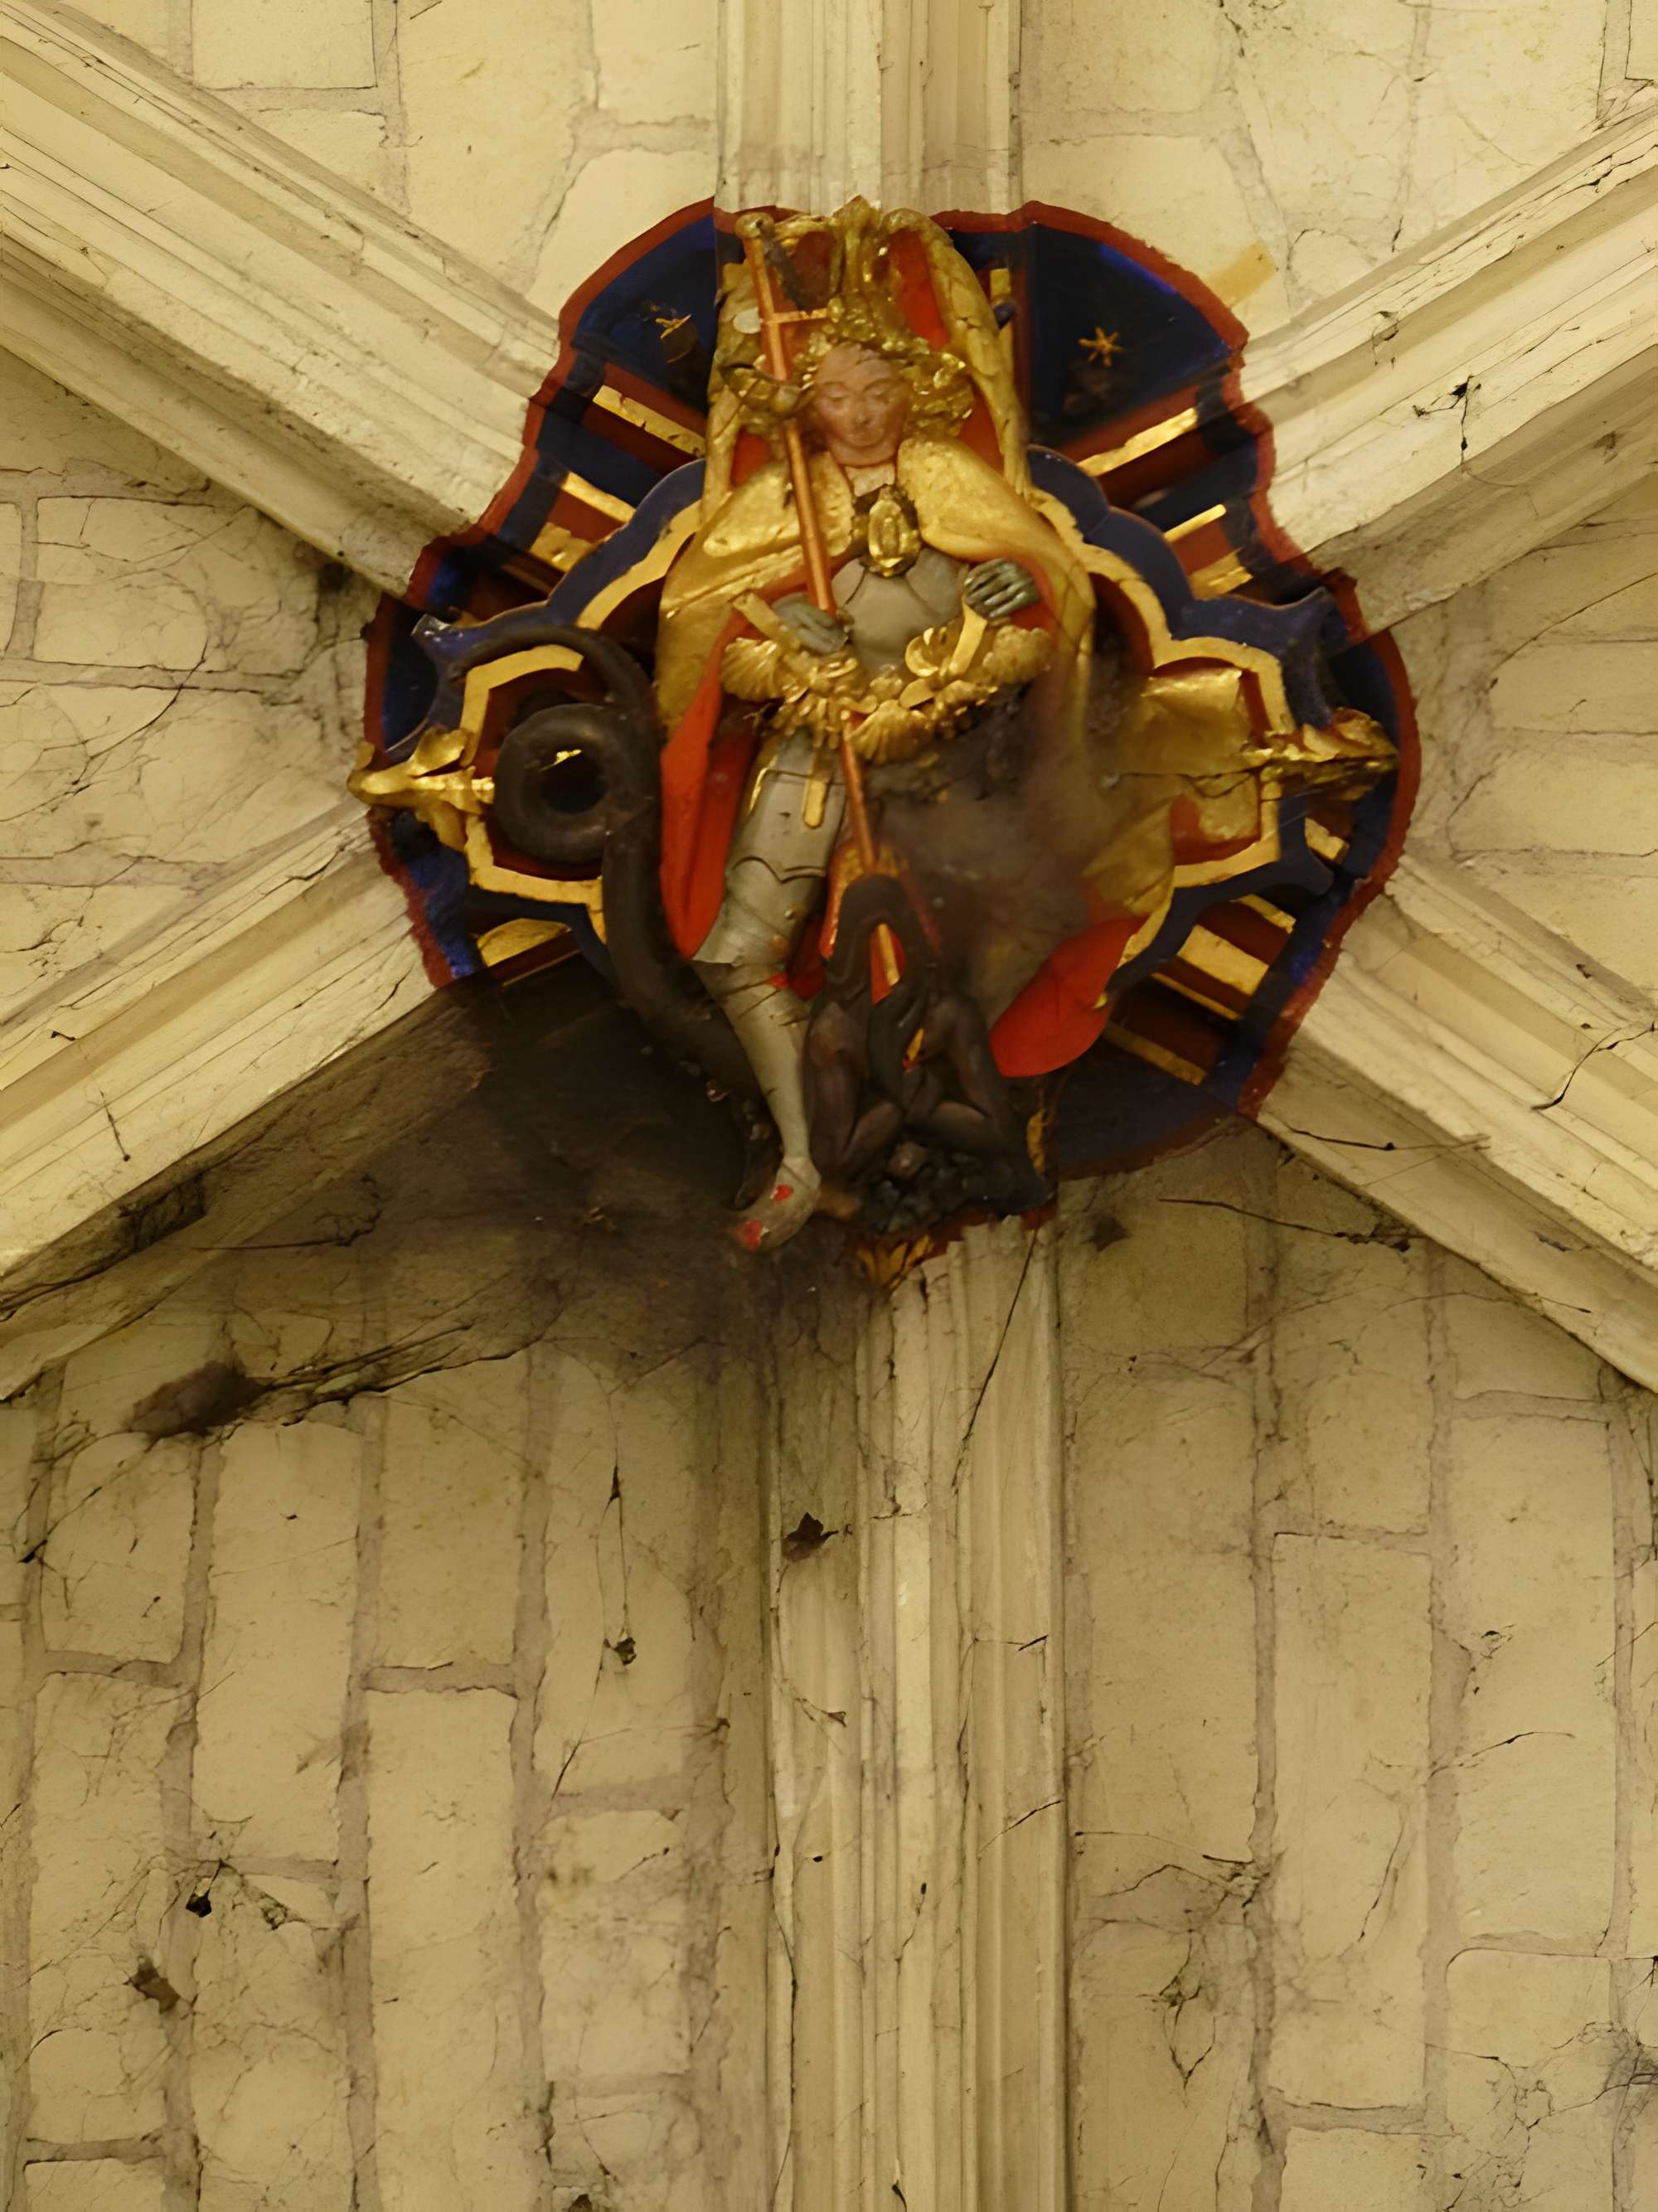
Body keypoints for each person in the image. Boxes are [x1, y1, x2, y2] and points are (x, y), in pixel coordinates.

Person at [652, 240, 1097, 1248]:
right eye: (835, 395)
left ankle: (931, 1064)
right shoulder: (781, 503)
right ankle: (807, 1148)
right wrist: (776, 643)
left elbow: (1042, 623)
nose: (856, 415)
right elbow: (705, 643)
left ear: (916, 389)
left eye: (876, 389)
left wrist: (994, 623)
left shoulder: (948, 479)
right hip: (814, 756)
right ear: (805, 404)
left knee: (1037, 908)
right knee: (736, 954)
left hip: (933, 755)